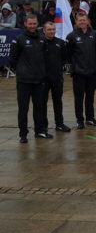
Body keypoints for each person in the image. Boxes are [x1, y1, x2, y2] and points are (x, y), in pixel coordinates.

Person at [10, 14, 48, 142]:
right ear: (25, 24)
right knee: (23, 109)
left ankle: (39, 131)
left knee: (39, 107)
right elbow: (12, 60)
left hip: (39, 80)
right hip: (24, 81)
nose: (32, 26)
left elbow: (45, 58)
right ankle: (23, 134)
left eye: (34, 24)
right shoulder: (19, 39)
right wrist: (22, 70)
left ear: (37, 24)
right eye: (30, 24)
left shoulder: (42, 39)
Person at [66, 12, 96, 128]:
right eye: (80, 20)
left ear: (88, 21)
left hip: (92, 72)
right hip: (78, 73)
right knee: (79, 98)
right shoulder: (71, 36)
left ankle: (90, 118)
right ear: (76, 22)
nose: (82, 22)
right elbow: (69, 54)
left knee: (90, 96)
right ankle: (80, 120)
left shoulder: (94, 34)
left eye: (84, 20)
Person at [42, 21, 70, 133]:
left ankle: (59, 124)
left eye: (53, 29)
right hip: (43, 78)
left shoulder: (60, 43)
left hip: (57, 78)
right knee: (42, 102)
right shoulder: (40, 42)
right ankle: (43, 125)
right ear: (44, 30)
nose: (52, 31)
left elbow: (64, 58)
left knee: (58, 101)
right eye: (49, 29)